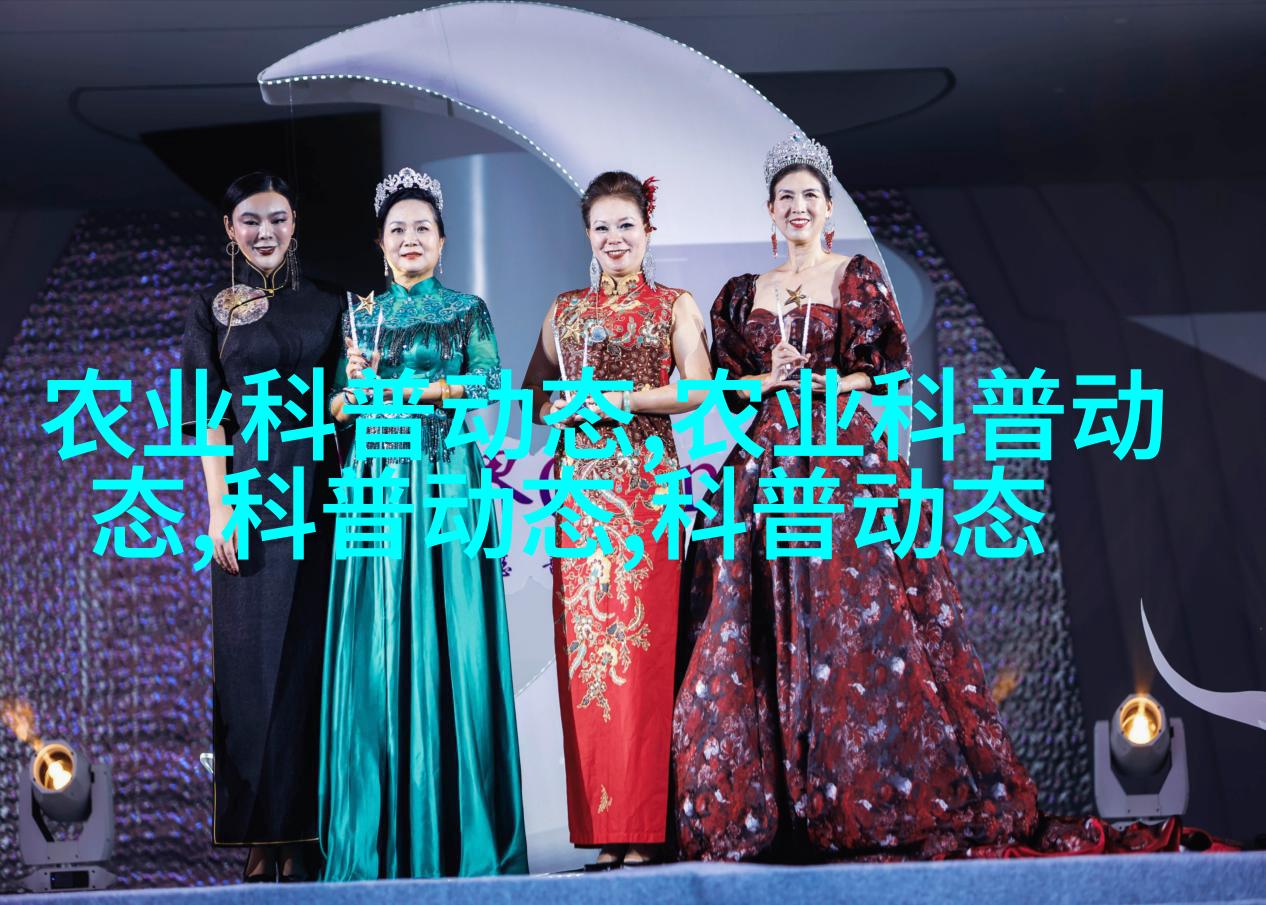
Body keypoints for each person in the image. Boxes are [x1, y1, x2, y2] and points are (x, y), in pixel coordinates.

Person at [671, 134, 1045, 861]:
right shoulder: (743, 292)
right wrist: (766, 379)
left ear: (829, 209)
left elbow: (886, 370)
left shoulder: (856, 277)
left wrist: (824, 379)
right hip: (766, 460)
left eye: (810, 196)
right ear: (770, 211)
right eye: (786, 197)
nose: (798, 207)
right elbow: (726, 387)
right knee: (751, 619)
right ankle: (774, 804)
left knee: (856, 620)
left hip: (840, 455)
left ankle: (856, 794)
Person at [320, 167, 527, 880]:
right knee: (378, 643)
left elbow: (490, 379)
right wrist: (354, 394)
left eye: (422, 228)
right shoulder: (359, 317)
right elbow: (338, 406)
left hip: (446, 477)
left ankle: (461, 831)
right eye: (397, 229)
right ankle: (376, 837)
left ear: (442, 241)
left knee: (454, 633)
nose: (410, 239)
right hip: (379, 480)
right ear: (381, 244)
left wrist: (427, 388)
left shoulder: (467, 310)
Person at [522, 171, 711, 868]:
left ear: (648, 230)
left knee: (647, 655)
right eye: (601, 227)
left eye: (625, 225)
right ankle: (606, 831)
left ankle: (650, 829)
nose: (614, 238)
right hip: (579, 501)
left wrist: (623, 401)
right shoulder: (564, 310)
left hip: (646, 493)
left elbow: (698, 388)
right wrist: (563, 408)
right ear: (587, 234)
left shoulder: (673, 304)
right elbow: (533, 397)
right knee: (589, 659)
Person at [181, 171, 343, 881]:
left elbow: (345, 399)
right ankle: (258, 834)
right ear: (229, 229)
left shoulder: (330, 303)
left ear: (295, 223)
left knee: (311, 662)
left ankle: (304, 833)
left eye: (277, 217)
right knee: (248, 665)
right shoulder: (209, 310)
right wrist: (219, 505)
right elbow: (204, 412)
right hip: (248, 496)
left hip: (322, 495)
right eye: (250, 219)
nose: (265, 231)